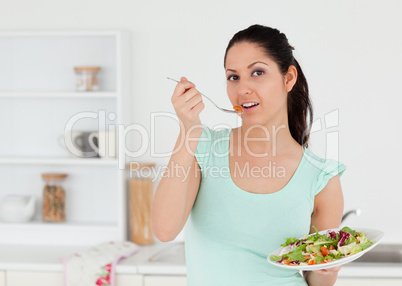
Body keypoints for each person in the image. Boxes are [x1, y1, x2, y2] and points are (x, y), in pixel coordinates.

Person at [151, 24, 346, 286]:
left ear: (288, 78)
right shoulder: (203, 147)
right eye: (234, 77)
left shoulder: (321, 177)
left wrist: (328, 270)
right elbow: (164, 229)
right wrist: (188, 130)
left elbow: (316, 279)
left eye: (257, 72)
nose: (243, 89)